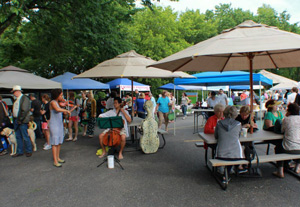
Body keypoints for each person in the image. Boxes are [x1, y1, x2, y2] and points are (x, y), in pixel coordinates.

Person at [214, 106, 244, 178]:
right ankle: (231, 170)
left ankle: (223, 171)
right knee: (238, 147)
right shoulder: (238, 124)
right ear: (235, 114)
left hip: (220, 154)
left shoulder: (219, 123)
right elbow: (238, 136)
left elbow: (216, 136)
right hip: (236, 155)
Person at [273, 103, 300, 178]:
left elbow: (282, 130)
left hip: (288, 148)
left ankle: (280, 171)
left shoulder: (286, 119)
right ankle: (297, 167)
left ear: (289, 111)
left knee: (278, 148)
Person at [49, 89, 71, 167]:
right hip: (54, 124)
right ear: (56, 95)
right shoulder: (52, 102)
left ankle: (58, 158)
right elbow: (57, 109)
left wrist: (65, 111)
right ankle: (55, 161)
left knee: (59, 142)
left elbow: (61, 111)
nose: (62, 97)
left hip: (59, 124)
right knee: (55, 143)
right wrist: (65, 110)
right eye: (61, 95)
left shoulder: (58, 103)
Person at [11, 85, 32, 158]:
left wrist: (20, 119)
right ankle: (20, 151)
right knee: (18, 136)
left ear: (18, 91)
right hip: (17, 119)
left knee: (24, 136)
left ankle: (28, 150)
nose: (14, 93)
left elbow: (24, 110)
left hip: (21, 120)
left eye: (14, 92)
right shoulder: (18, 99)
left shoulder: (24, 98)